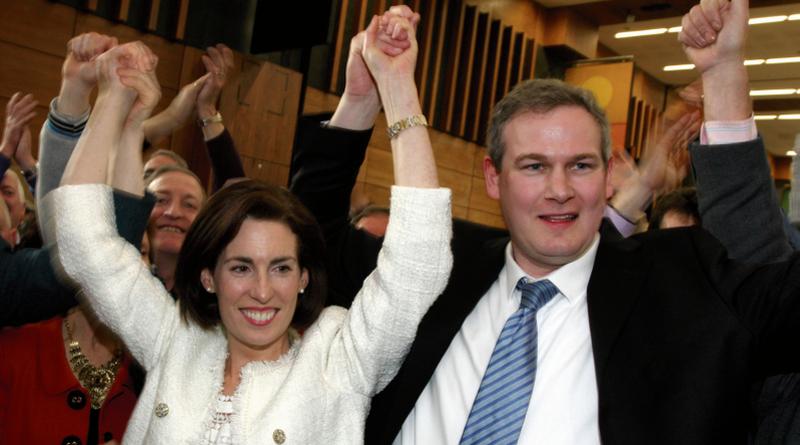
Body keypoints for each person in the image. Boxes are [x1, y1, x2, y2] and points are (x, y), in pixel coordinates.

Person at [291, 2, 800, 444]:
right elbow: (309, 249)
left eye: (581, 165)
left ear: (606, 176)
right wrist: (360, 99)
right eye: (534, 166)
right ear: (494, 178)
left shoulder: (674, 279)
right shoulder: (439, 266)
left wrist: (725, 72)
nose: (560, 189)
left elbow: (776, 295)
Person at [45, 14, 452, 445]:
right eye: (240, 268)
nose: (262, 290)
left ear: (303, 278)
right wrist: (112, 98)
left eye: (280, 268)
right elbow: (84, 243)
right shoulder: (174, 340)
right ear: (208, 277)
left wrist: (398, 87)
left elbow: (415, 267)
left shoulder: (338, 360)